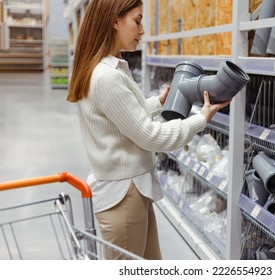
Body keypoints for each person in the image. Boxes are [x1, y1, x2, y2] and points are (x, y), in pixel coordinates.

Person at [66, 0, 231, 260]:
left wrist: (157, 103)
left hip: (131, 190)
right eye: (138, 20)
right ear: (115, 21)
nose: (142, 31)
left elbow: (121, 116)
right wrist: (201, 118)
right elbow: (151, 137)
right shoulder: (107, 76)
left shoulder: (109, 67)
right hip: (123, 197)